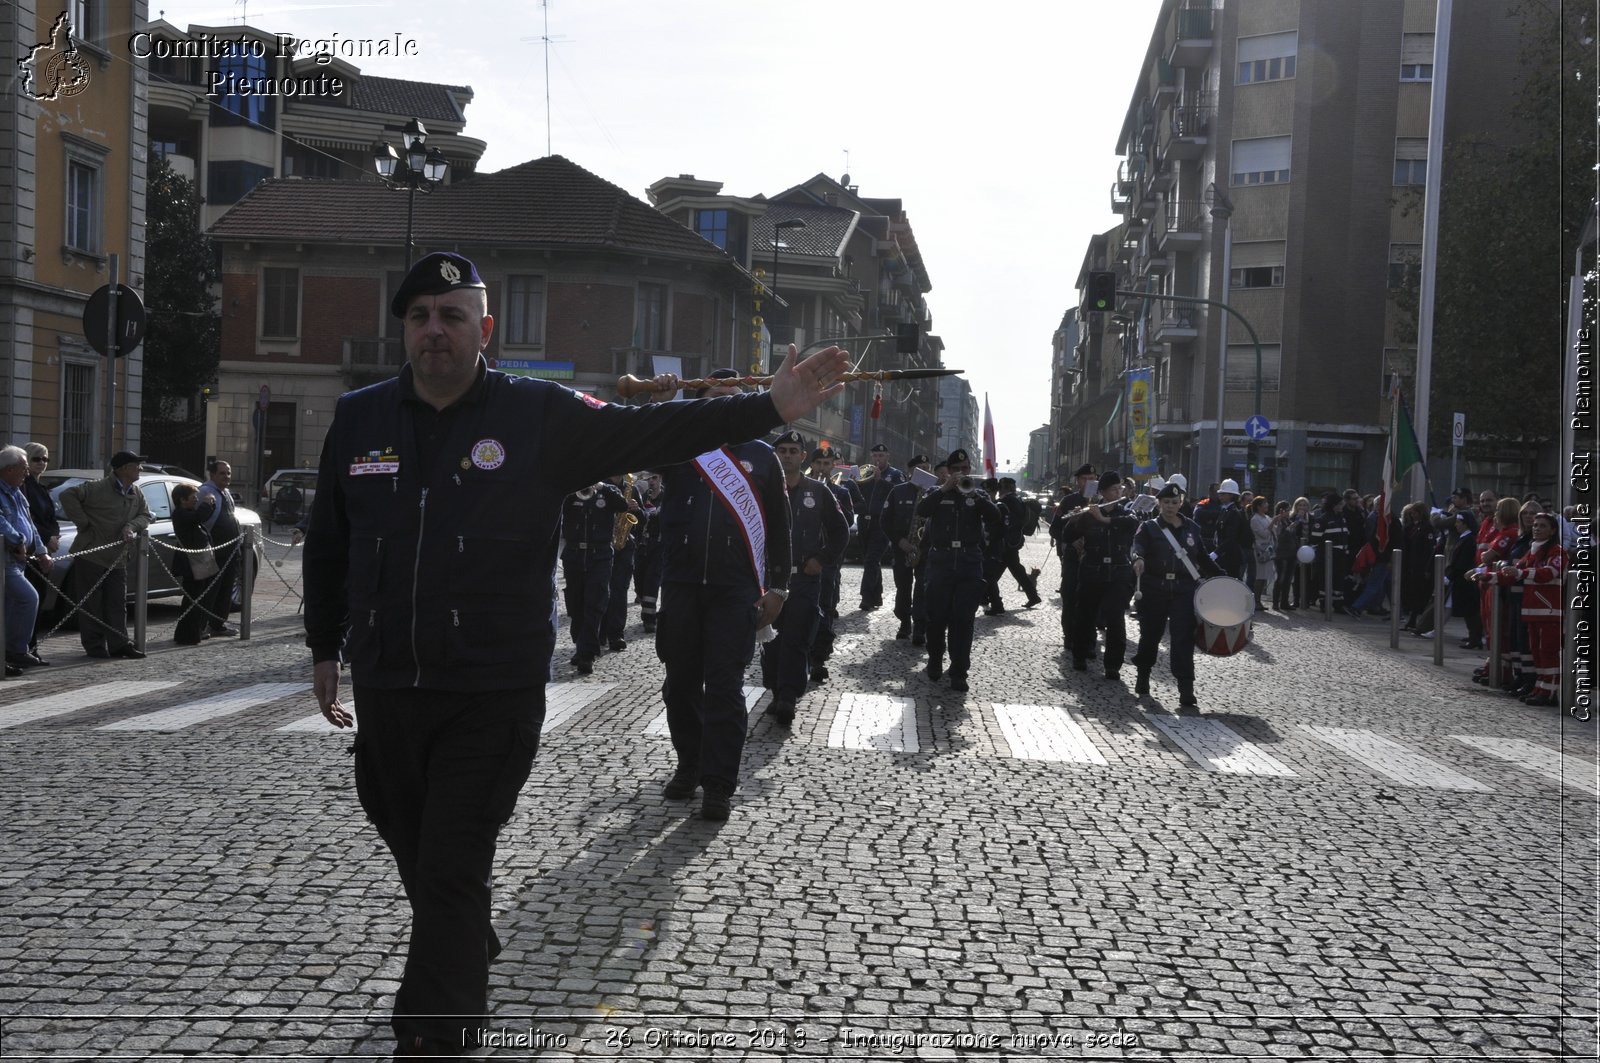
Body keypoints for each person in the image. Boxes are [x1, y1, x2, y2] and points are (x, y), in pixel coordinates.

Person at [301, 252, 847, 1057]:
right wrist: (324, 645)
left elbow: (658, 429)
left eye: (452, 315)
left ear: (484, 329)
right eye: (419, 316)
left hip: (491, 689)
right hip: (390, 683)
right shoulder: (360, 418)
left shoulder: (538, 415)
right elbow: (330, 540)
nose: (433, 331)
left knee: (451, 867)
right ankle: (466, 934)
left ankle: (434, 1038)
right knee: (410, 839)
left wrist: (767, 405)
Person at [654, 368, 792, 820]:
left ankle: (718, 784)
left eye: (734, 396)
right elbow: (632, 439)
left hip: (735, 589)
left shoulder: (762, 455)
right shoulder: (678, 444)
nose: (725, 403)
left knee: (725, 688)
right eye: (716, 395)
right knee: (680, 686)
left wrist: (778, 587)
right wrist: (664, 398)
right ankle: (689, 764)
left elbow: (779, 527)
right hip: (682, 583)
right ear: (702, 400)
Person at [759, 429, 847, 724]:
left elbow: (840, 530)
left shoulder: (819, 491)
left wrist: (821, 559)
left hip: (804, 579)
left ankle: (788, 696)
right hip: (770, 579)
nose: (787, 456)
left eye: (793, 451)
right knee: (770, 639)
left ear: (802, 456)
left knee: (797, 638)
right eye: (782, 450)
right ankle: (774, 689)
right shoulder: (761, 488)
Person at [916, 449, 1004, 693]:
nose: (961, 473)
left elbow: (995, 517)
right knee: (936, 618)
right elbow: (922, 510)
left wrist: (977, 496)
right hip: (941, 561)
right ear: (949, 472)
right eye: (957, 469)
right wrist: (944, 489)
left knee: (963, 621)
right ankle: (935, 659)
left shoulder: (978, 495)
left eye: (965, 469)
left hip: (968, 562)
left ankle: (959, 671)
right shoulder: (936, 492)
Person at [1130, 483, 1223, 709]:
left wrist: (1223, 577)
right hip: (1155, 588)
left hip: (1184, 589)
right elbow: (1137, 546)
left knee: (1183, 639)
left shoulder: (1192, 528)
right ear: (1159, 504)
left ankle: (1186, 689)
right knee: (1150, 635)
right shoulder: (1149, 527)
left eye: (1174, 502)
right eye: (1166, 502)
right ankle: (1143, 675)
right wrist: (1137, 559)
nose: (1170, 506)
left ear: (1180, 503)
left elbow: (1201, 557)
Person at [58, 451, 150, 660]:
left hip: (118, 558)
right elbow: (67, 496)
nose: (140, 469)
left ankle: (120, 644)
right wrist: (83, 523)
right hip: (92, 555)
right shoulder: (97, 488)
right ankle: (95, 646)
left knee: (117, 603)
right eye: (136, 465)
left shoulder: (136, 492)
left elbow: (145, 515)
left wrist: (131, 526)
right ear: (123, 468)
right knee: (91, 603)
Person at [1062, 471, 1140, 680]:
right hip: (1092, 571)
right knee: (1085, 616)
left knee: (1115, 619)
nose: (1119, 492)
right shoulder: (1090, 512)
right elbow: (1067, 536)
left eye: (1120, 488)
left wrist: (1103, 519)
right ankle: (1079, 656)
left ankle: (1113, 665)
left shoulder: (1126, 512)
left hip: (1118, 573)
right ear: (1103, 492)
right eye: (1114, 489)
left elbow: (1131, 525)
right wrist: (1075, 520)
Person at [1499, 512, 1566, 707]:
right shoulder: (1533, 550)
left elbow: (1549, 573)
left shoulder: (1558, 551)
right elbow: (1516, 572)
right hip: (1532, 610)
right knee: (1536, 652)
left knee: (1548, 652)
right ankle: (1541, 687)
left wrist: (1520, 572)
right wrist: (1488, 576)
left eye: (1542, 525)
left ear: (1553, 530)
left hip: (1549, 611)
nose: (1536, 528)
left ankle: (1550, 692)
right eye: (1535, 525)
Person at [560, 479, 626, 674]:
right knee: (575, 604)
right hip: (574, 555)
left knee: (594, 603)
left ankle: (586, 653)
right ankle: (581, 645)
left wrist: (602, 487)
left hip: (600, 556)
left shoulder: (608, 491)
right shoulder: (572, 493)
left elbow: (622, 506)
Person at [1, 446, 53, 674]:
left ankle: (8, 656)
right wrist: (18, 539)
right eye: (23, 468)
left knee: (11, 608)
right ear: (9, 469)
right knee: (28, 598)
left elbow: (29, 522)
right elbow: (2, 522)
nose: (27, 473)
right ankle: (15, 650)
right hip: (5, 561)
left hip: (18, 562)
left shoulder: (17, 492)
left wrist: (41, 551)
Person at [807, 447, 854, 675]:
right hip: (804, 557)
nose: (823, 468)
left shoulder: (841, 491)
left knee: (825, 607)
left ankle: (819, 658)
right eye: (819, 464)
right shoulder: (801, 487)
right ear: (812, 464)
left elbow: (846, 522)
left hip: (827, 560)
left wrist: (833, 498)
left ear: (833, 466)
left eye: (827, 464)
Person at [1049, 463, 1097, 653]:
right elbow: (1054, 529)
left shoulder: (1101, 501)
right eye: (1085, 479)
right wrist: (1069, 541)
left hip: (1095, 558)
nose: (1089, 482)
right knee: (1069, 596)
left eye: (1093, 479)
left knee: (1092, 600)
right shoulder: (1069, 501)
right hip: (1072, 557)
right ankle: (1069, 635)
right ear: (1078, 481)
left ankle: (1090, 640)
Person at [882, 455, 930, 640]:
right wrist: (900, 541)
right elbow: (885, 521)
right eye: (920, 468)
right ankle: (904, 621)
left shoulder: (933, 492)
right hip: (902, 547)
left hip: (924, 550)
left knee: (922, 589)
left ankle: (919, 627)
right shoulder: (898, 491)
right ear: (910, 471)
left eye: (927, 467)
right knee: (903, 587)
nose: (925, 471)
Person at [21, 443, 60, 658]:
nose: (42, 463)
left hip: (45, 549)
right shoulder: (22, 486)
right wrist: (46, 538)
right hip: (29, 551)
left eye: (45, 459)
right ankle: (25, 648)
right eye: (37, 459)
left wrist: (53, 536)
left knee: (40, 597)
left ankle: (32, 648)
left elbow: (51, 518)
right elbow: (29, 520)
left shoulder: (42, 488)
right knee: (29, 599)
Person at [856, 443, 904, 611]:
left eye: (881, 456)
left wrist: (880, 481)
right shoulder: (865, 473)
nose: (878, 459)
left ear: (887, 456)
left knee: (871, 559)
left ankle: (866, 598)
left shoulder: (895, 474)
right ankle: (877, 596)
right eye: (875, 456)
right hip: (864, 521)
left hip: (882, 522)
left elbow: (899, 493)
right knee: (870, 561)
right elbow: (857, 494)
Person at [197, 460, 241, 639]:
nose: (226, 476)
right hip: (215, 550)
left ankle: (218, 624)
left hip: (231, 550)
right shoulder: (205, 492)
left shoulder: (226, 493)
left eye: (228, 473)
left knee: (226, 589)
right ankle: (201, 625)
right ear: (213, 475)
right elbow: (200, 519)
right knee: (211, 590)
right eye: (222, 473)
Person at [600, 472, 644, 653]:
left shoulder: (631, 489)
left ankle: (616, 634)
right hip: (602, 545)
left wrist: (636, 510)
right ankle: (599, 633)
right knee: (601, 590)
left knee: (619, 590)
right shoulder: (600, 486)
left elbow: (643, 520)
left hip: (624, 546)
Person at [169, 483, 215, 646]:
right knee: (192, 598)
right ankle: (187, 635)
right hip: (191, 563)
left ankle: (192, 632)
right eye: (193, 497)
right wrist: (206, 503)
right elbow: (198, 517)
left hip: (199, 560)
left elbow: (201, 517)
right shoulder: (180, 514)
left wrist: (209, 505)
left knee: (198, 597)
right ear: (182, 500)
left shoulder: (188, 512)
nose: (196, 499)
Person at [994, 477, 1043, 611]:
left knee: (993, 573)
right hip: (1013, 541)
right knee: (1015, 569)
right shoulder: (1016, 499)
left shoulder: (1008, 500)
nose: (998, 489)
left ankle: (991, 599)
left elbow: (1011, 521)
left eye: (1000, 486)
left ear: (1006, 487)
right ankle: (1033, 596)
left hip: (1008, 541)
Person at [631, 472, 665, 634]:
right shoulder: (643, 496)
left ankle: (649, 619)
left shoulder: (666, 497)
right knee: (639, 581)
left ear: (660, 479)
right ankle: (648, 611)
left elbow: (663, 518)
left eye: (654, 478)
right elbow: (640, 520)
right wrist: (637, 510)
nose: (651, 482)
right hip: (642, 545)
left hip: (658, 546)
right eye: (648, 479)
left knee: (652, 582)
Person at [1248, 496, 1274, 610]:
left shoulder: (1267, 517)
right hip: (1260, 550)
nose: (1267, 505)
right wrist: (1273, 523)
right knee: (1259, 576)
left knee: (1265, 577)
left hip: (1268, 549)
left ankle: (1259, 600)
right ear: (1258, 506)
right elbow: (1263, 534)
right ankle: (1256, 600)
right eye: (1264, 503)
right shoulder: (1255, 519)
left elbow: (1273, 532)